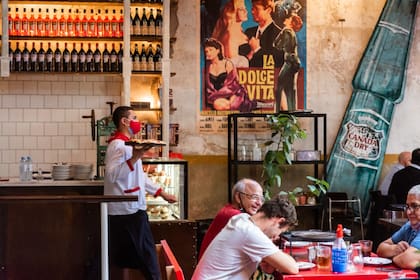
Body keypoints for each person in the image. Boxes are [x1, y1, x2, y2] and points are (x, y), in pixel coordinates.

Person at [104, 106, 177, 279]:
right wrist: (135, 157)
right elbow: (112, 175)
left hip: (132, 209)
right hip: (127, 211)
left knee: (141, 255)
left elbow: (139, 177)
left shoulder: (128, 146)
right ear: (124, 121)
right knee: (148, 257)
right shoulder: (118, 146)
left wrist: (161, 192)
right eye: (134, 117)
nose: (138, 122)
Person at [192, 196, 299, 279]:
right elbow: (293, 268)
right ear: (279, 221)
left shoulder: (242, 219)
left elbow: (267, 268)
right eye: (280, 231)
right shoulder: (249, 232)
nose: (276, 236)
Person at [198, 178, 264, 260]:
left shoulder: (229, 211)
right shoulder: (234, 216)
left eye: (261, 199)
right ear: (238, 197)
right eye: (254, 197)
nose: (259, 203)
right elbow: (261, 246)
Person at [203, 38, 255, 112]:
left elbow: (233, 84)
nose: (208, 53)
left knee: (232, 103)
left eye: (211, 50)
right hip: (216, 97)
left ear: (218, 51)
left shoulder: (227, 63)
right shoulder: (207, 66)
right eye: (206, 51)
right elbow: (209, 87)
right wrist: (217, 95)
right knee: (217, 104)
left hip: (233, 92)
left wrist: (227, 95)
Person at [377, 185, 420, 269]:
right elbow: (380, 249)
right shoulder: (409, 226)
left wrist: (391, 257)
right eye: (407, 206)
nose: (408, 212)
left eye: (415, 206)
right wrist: (395, 249)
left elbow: (407, 261)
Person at [238, 0, 283, 68]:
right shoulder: (248, 32)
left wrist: (257, 49)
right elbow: (241, 59)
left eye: (256, 8)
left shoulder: (280, 34)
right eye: (252, 8)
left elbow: (277, 63)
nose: (252, 12)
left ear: (268, 10)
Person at [273, 13, 303, 111]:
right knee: (290, 89)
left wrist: (281, 33)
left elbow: (278, 45)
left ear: (291, 22)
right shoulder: (292, 33)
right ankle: (292, 111)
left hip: (289, 62)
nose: (286, 19)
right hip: (294, 62)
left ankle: (277, 111)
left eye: (289, 18)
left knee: (279, 87)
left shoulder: (286, 31)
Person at [211, 0, 250, 67]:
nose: (246, 11)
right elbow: (232, 65)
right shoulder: (231, 33)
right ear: (233, 12)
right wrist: (252, 52)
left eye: (245, 9)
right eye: (241, 9)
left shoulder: (239, 31)